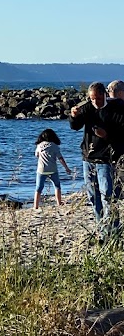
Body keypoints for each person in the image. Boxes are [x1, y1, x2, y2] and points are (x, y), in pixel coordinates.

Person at [69, 82, 116, 230]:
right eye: (92, 98)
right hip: (88, 158)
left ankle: (111, 229)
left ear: (104, 95)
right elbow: (75, 126)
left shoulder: (116, 109)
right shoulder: (88, 107)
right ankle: (101, 228)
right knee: (93, 196)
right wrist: (73, 116)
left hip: (105, 159)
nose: (95, 102)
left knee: (107, 195)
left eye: (98, 98)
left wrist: (107, 135)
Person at [33, 128, 71, 209]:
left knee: (38, 188)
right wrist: (66, 168)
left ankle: (35, 206)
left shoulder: (39, 146)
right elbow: (60, 158)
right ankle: (59, 203)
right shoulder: (54, 146)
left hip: (41, 170)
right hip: (53, 169)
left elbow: (36, 155)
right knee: (57, 186)